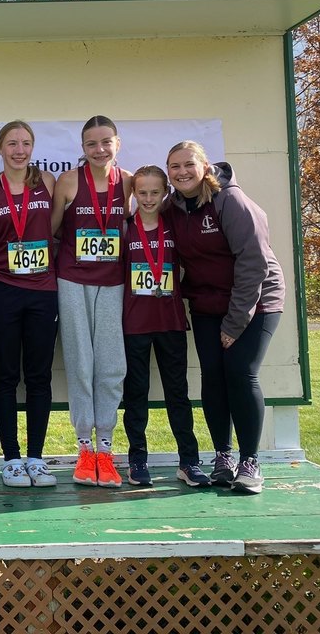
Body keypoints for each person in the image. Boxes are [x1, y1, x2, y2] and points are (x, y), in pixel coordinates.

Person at [166, 141, 284, 495]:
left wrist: (234, 324)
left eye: (189, 164)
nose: (182, 172)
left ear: (205, 166)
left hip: (257, 300)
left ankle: (250, 462)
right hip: (206, 303)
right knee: (213, 377)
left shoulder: (230, 201)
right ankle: (223, 457)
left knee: (240, 373)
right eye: (174, 167)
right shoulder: (174, 207)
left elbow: (253, 265)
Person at [51, 115, 132, 488]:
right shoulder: (68, 181)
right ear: (82, 148)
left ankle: (106, 447)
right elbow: (51, 230)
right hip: (72, 280)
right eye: (91, 144)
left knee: (112, 364)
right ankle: (84, 448)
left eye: (106, 142)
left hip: (114, 283)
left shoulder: (129, 183)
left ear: (117, 143)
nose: (99, 150)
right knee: (81, 361)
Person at [0, 120, 58, 488]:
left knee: (39, 376)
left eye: (25, 143)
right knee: (6, 375)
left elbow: (52, 229)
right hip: (3, 289)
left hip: (42, 290)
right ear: (0, 148)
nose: (19, 150)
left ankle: (36, 458)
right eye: (12, 143)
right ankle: (11, 458)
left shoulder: (48, 183)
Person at [120, 165, 210, 488]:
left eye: (155, 192)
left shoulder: (174, 226)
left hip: (171, 321)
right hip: (134, 324)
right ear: (133, 194)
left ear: (166, 193)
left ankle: (188, 460)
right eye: (141, 192)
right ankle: (137, 460)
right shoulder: (125, 229)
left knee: (178, 393)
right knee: (136, 394)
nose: (148, 198)